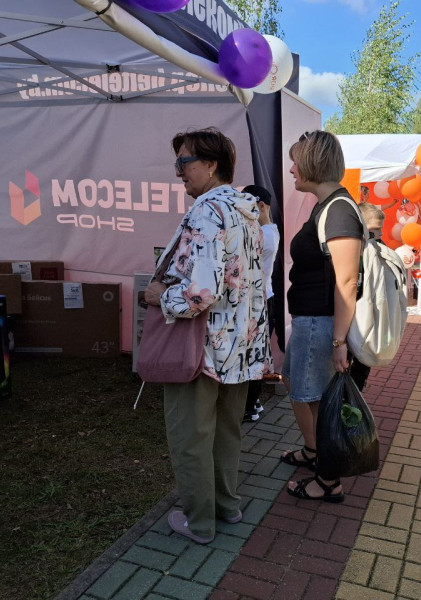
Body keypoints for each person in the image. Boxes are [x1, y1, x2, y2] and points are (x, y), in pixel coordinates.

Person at [143, 127, 270, 544]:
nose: (178, 171)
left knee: (191, 437)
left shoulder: (206, 212)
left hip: (201, 348)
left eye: (184, 162)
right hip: (238, 346)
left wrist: (159, 296)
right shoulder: (247, 212)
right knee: (227, 432)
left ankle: (199, 522)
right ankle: (226, 506)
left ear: (211, 165)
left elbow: (201, 292)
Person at [280, 130, 363, 503]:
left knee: (316, 400)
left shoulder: (338, 210)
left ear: (313, 163)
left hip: (321, 322)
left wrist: (339, 341)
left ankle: (328, 480)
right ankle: (314, 452)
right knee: (296, 386)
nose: (292, 169)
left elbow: (346, 282)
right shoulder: (328, 205)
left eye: (296, 162)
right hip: (312, 320)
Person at [242, 184, 280, 422]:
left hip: (260, 301)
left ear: (261, 206)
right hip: (262, 299)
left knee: (253, 356)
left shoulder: (264, 235)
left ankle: (248, 407)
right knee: (254, 354)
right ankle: (253, 403)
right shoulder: (268, 231)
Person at [348, 201, 386, 392]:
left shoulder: (380, 249)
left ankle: (354, 395)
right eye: (374, 230)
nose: (379, 234)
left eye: (380, 229)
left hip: (368, 318)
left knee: (363, 362)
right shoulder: (349, 249)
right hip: (348, 315)